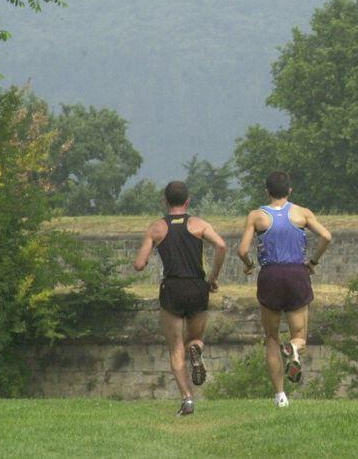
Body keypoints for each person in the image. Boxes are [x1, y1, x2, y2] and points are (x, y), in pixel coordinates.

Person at [237, 171, 332, 408]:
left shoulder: (257, 216)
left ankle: (280, 396)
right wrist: (313, 262)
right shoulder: (302, 213)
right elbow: (327, 237)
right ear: (289, 190)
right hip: (296, 273)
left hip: (270, 275)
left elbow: (242, 250)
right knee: (300, 335)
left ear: (267, 191)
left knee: (271, 337)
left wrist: (249, 266)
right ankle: (294, 349)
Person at [132, 180, 227, 416]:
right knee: (195, 338)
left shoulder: (156, 228)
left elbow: (139, 265)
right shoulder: (198, 225)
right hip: (197, 286)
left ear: (165, 201)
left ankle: (187, 399)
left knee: (175, 348)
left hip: (172, 288)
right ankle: (196, 349)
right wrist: (213, 277)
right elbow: (222, 246)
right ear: (188, 201)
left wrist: (150, 248)